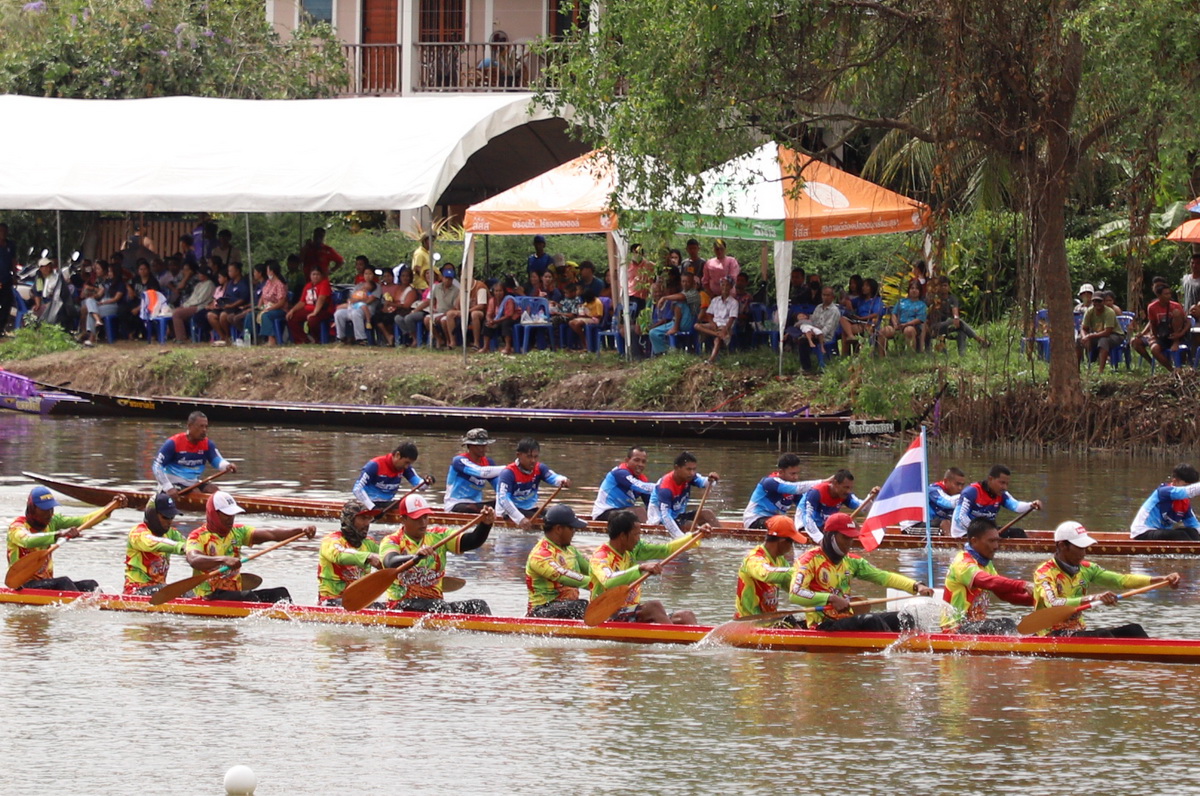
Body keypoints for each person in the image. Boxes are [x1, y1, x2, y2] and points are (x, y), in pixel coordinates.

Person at [1032, 521, 1181, 638]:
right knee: (1102, 635)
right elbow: (1053, 603)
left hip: (1076, 630)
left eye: (1085, 548)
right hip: (1049, 634)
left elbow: (1122, 580)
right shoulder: (1045, 573)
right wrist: (1094, 598)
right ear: (1062, 545)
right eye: (1080, 548)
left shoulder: (1087, 568)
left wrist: (1161, 579)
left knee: (1134, 630)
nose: (1084, 553)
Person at [789, 513, 934, 631]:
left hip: (846, 619)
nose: (849, 543)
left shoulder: (852, 561)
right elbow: (795, 594)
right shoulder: (808, 561)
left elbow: (884, 577)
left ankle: (908, 652)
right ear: (830, 536)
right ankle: (888, 653)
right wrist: (830, 598)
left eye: (852, 538)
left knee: (904, 618)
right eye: (845, 538)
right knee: (871, 620)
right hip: (822, 625)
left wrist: (916, 586)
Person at [184, 491, 316, 602]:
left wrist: (300, 530)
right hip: (209, 595)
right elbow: (193, 559)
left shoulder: (238, 532)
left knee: (280, 594)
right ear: (214, 513)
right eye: (226, 515)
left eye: (232, 515)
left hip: (234, 593)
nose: (231, 519)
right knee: (249, 597)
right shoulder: (198, 536)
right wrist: (223, 560)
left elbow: (271, 534)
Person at [379, 496, 494, 614]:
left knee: (480, 606)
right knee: (440, 607)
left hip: (436, 603)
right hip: (400, 604)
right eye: (417, 518)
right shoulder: (392, 540)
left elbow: (471, 542)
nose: (423, 523)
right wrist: (415, 558)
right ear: (403, 519)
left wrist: (485, 525)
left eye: (425, 517)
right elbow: (390, 562)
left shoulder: (439, 536)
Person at [588, 510, 705, 624]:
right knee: (654, 607)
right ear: (623, 536)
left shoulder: (634, 549)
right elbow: (608, 580)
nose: (638, 539)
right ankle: (671, 636)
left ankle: (694, 638)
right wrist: (640, 568)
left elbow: (666, 549)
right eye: (636, 534)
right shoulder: (601, 557)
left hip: (631, 612)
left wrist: (694, 536)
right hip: (606, 615)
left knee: (686, 615)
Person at [6, 487, 125, 591]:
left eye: (51, 509)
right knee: (63, 582)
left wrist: (110, 507)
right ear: (32, 509)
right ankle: (79, 609)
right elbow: (27, 540)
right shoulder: (16, 527)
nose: (49, 514)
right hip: (22, 585)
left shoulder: (53, 521)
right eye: (45, 509)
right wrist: (58, 535)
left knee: (91, 585)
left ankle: (102, 608)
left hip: (46, 583)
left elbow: (84, 521)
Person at [941, 517, 1034, 634]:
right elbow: (988, 581)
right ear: (974, 541)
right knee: (1005, 625)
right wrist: (1023, 585)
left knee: (1014, 623)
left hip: (974, 625)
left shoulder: (986, 564)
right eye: (991, 541)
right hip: (954, 628)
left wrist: (1038, 599)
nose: (996, 546)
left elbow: (1005, 594)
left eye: (997, 541)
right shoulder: (963, 563)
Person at [524, 503, 593, 619]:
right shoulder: (540, 555)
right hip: (541, 611)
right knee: (581, 606)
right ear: (558, 529)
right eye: (571, 528)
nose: (574, 531)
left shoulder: (571, 551)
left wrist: (612, 581)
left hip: (568, 607)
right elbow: (563, 576)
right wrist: (595, 584)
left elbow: (593, 569)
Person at [734, 515, 808, 619]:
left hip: (768, 621)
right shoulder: (753, 559)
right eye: (792, 542)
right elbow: (767, 574)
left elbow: (793, 589)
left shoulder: (780, 560)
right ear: (782, 541)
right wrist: (801, 571)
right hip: (748, 622)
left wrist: (825, 597)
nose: (792, 546)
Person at [316, 499, 383, 606]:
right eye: (363, 518)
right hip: (330, 601)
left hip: (358, 602)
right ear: (349, 520)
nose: (367, 523)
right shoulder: (330, 541)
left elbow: (386, 556)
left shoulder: (369, 543)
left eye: (369, 519)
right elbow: (339, 555)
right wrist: (368, 557)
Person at [152, 411, 236, 496]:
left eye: (206, 427)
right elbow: (157, 466)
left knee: (215, 491)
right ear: (189, 426)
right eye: (200, 426)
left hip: (193, 483)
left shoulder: (207, 444)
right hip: (173, 484)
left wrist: (227, 466)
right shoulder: (173, 443)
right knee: (196, 493)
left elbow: (217, 460)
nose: (204, 430)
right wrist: (168, 487)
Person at [495, 437, 571, 529]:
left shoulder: (539, 468)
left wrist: (562, 480)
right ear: (518, 455)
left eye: (535, 457)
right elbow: (504, 500)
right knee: (548, 521)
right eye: (529, 457)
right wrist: (520, 519)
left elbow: (553, 477)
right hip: (508, 512)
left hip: (530, 509)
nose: (533, 461)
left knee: (557, 516)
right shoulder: (508, 473)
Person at [951, 464, 1042, 539]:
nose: (1005, 487)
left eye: (1007, 484)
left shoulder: (1001, 494)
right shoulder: (971, 492)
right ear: (990, 479)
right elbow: (960, 517)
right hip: (964, 532)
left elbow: (1016, 506)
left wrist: (1031, 505)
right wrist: (980, 532)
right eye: (1002, 483)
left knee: (1018, 533)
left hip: (986, 532)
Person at [123, 492, 187, 595]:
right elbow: (154, 542)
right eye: (165, 517)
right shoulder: (137, 533)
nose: (170, 521)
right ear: (152, 515)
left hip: (159, 591)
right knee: (174, 591)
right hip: (136, 591)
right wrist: (181, 547)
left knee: (193, 592)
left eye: (172, 517)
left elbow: (191, 544)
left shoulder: (171, 533)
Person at [742, 453, 827, 529]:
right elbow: (796, 488)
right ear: (781, 472)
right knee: (784, 522)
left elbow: (804, 507)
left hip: (776, 521)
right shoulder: (769, 482)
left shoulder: (794, 489)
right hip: (755, 520)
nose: (796, 477)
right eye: (792, 474)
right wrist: (824, 482)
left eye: (797, 473)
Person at [647, 451, 719, 539]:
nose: (692, 473)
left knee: (708, 514)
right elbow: (665, 517)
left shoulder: (689, 477)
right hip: (660, 521)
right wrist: (681, 538)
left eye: (694, 469)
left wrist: (711, 479)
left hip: (678, 516)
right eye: (688, 469)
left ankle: (722, 540)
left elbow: (706, 483)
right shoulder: (665, 488)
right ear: (677, 468)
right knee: (690, 525)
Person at [799, 469, 875, 543]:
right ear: (835, 483)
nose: (848, 491)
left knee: (854, 525)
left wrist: (872, 496)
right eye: (846, 487)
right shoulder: (815, 493)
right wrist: (821, 540)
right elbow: (807, 520)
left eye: (850, 488)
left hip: (825, 525)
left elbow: (863, 508)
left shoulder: (845, 495)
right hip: (805, 523)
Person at [352, 441, 432, 512]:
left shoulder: (405, 468)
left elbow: (421, 487)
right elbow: (357, 489)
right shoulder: (374, 465)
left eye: (409, 464)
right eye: (406, 462)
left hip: (387, 504)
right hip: (369, 503)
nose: (406, 467)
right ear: (397, 455)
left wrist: (427, 482)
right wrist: (372, 508)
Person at [1130, 463, 1200, 541]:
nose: (1188, 489)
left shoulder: (1184, 503)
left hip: (1160, 533)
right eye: (1185, 485)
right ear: (1175, 481)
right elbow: (1186, 492)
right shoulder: (1163, 492)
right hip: (1143, 532)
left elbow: (1194, 525)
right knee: (1180, 535)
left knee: (1192, 532)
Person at [444, 428, 506, 513]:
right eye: (479, 445)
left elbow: (499, 487)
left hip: (477, 504)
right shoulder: (459, 461)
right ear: (470, 446)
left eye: (485, 445)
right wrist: (510, 468)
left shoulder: (488, 462)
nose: (483, 449)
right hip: (455, 504)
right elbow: (481, 472)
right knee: (471, 508)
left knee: (505, 502)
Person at [591, 446, 656, 523]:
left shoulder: (643, 480)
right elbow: (639, 486)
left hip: (624, 514)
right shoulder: (619, 473)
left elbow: (650, 503)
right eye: (636, 460)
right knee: (638, 511)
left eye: (643, 462)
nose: (640, 464)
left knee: (652, 512)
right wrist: (663, 486)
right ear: (627, 460)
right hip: (604, 513)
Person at [924, 275, 986, 354]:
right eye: (941, 285)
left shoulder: (952, 298)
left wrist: (956, 318)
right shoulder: (934, 299)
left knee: (961, 331)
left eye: (945, 285)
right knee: (957, 322)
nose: (943, 288)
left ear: (949, 287)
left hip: (947, 326)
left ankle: (962, 355)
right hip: (934, 327)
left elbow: (955, 311)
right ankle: (978, 339)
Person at [1132, 284, 1187, 369]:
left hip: (1176, 334)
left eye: (1169, 293)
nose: (1169, 296)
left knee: (1176, 312)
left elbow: (1187, 321)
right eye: (1166, 294)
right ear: (1159, 295)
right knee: (1154, 349)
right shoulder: (1152, 307)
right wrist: (1154, 337)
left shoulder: (1176, 305)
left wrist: (1180, 334)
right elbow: (1152, 323)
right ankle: (1171, 370)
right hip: (1162, 335)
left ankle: (1176, 342)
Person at [1076, 292, 1122, 373]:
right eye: (1094, 301)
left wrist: (1089, 336)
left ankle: (1101, 370)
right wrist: (1084, 337)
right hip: (1097, 334)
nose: (1097, 303)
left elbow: (1107, 332)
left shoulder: (1109, 312)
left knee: (1103, 341)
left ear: (1103, 302)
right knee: (1078, 339)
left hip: (1115, 335)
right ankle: (1077, 369)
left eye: (1099, 301)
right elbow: (1084, 328)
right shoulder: (1089, 311)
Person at [695, 277, 739, 362]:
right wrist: (712, 323)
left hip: (725, 326)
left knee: (717, 340)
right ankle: (717, 334)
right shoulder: (715, 300)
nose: (725, 287)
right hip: (715, 325)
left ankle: (711, 359)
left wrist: (725, 330)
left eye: (727, 285)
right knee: (697, 326)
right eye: (723, 285)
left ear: (731, 287)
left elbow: (731, 319)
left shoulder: (734, 302)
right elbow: (709, 314)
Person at [286, 267, 334, 344]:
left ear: (321, 276)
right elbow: (302, 302)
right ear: (310, 276)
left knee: (312, 320)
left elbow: (321, 298)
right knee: (292, 318)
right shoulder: (308, 286)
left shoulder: (324, 283)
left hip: (322, 310)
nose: (315, 276)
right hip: (308, 309)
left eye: (318, 274)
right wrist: (292, 310)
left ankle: (317, 339)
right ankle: (303, 340)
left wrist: (315, 312)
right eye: (313, 274)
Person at [206, 261, 250, 346]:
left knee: (223, 316)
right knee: (210, 315)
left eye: (231, 271)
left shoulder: (243, 283)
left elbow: (243, 299)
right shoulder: (230, 283)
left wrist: (231, 305)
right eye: (228, 271)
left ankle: (229, 336)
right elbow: (226, 296)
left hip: (237, 307)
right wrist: (220, 304)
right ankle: (222, 336)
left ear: (237, 271)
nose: (229, 273)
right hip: (227, 306)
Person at [879, 280, 927, 354]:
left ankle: (910, 355)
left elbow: (919, 319)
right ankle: (881, 356)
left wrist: (906, 324)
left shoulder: (922, 305)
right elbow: (894, 313)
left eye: (916, 289)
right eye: (912, 288)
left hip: (912, 326)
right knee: (883, 331)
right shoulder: (901, 302)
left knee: (909, 331)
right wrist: (895, 324)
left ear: (920, 291)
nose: (914, 290)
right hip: (898, 325)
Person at [839, 277, 884, 355]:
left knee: (845, 332)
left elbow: (876, 314)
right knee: (842, 319)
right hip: (858, 321)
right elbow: (848, 302)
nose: (863, 287)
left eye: (866, 286)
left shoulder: (877, 300)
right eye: (863, 286)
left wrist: (862, 318)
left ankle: (847, 354)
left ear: (872, 288)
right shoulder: (860, 299)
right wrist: (847, 302)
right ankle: (847, 350)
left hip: (869, 323)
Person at [171, 265, 215, 343]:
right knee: (174, 311)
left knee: (177, 314)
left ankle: (181, 338)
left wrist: (187, 305)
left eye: (200, 274)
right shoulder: (199, 284)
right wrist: (185, 305)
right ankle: (176, 335)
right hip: (192, 305)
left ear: (204, 275)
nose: (198, 275)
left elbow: (200, 300)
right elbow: (192, 297)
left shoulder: (209, 284)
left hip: (200, 306)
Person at [333, 271, 377, 345]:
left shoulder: (370, 292)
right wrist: (351, 301)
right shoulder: (358, 290)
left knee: (355, 313)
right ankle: (340, 337)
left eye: (366, 288)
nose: (364, 289)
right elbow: (350, 300)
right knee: (339, 313)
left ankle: (361, 338)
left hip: (360, 308)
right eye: (364, 287)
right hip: (352, 306)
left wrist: (359, 300)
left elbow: (368, 301)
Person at [254, 260, 290, 345]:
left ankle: (272, 339)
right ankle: (254, 338)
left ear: (272, 271)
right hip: (267, 306)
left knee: (266, 315)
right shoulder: (268, 282)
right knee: (251, 315)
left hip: (279, 309)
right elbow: (263, 295)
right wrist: (260, 306)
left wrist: (270, 308)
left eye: (267, 270)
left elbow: (281, 302)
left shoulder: (279, 284)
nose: (266, 273)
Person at [426, 265, 461, 348]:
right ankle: (439, 339)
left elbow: (455, 307)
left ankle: (449, 340)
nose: (447, 280)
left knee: (443, 320)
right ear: (442, 278)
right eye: (446, 278)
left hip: (449, 312)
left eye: (450, 279)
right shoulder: (436, 287)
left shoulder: (456, 290)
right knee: (427, 319)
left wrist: (443, 315)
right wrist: (432, 308)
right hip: (438, 311)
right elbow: (433, 300)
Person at [927, 466, 966, 534]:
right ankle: (950, 540)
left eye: (962, 485)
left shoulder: (957, 495)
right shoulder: (933, 490)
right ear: (946, 481)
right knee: (946, 523)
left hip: (942, 524)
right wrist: (968, 497)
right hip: (925, 524)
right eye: (957, 484)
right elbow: (947, 503)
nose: (960, 488)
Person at [0, 222, 17, 337]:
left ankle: (1, 328)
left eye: (5, 231)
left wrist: (15, 275)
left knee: (7, 304)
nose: (3, 233)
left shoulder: (10, 245)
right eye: (1, 231)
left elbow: (13, 261)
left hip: (6, 280)